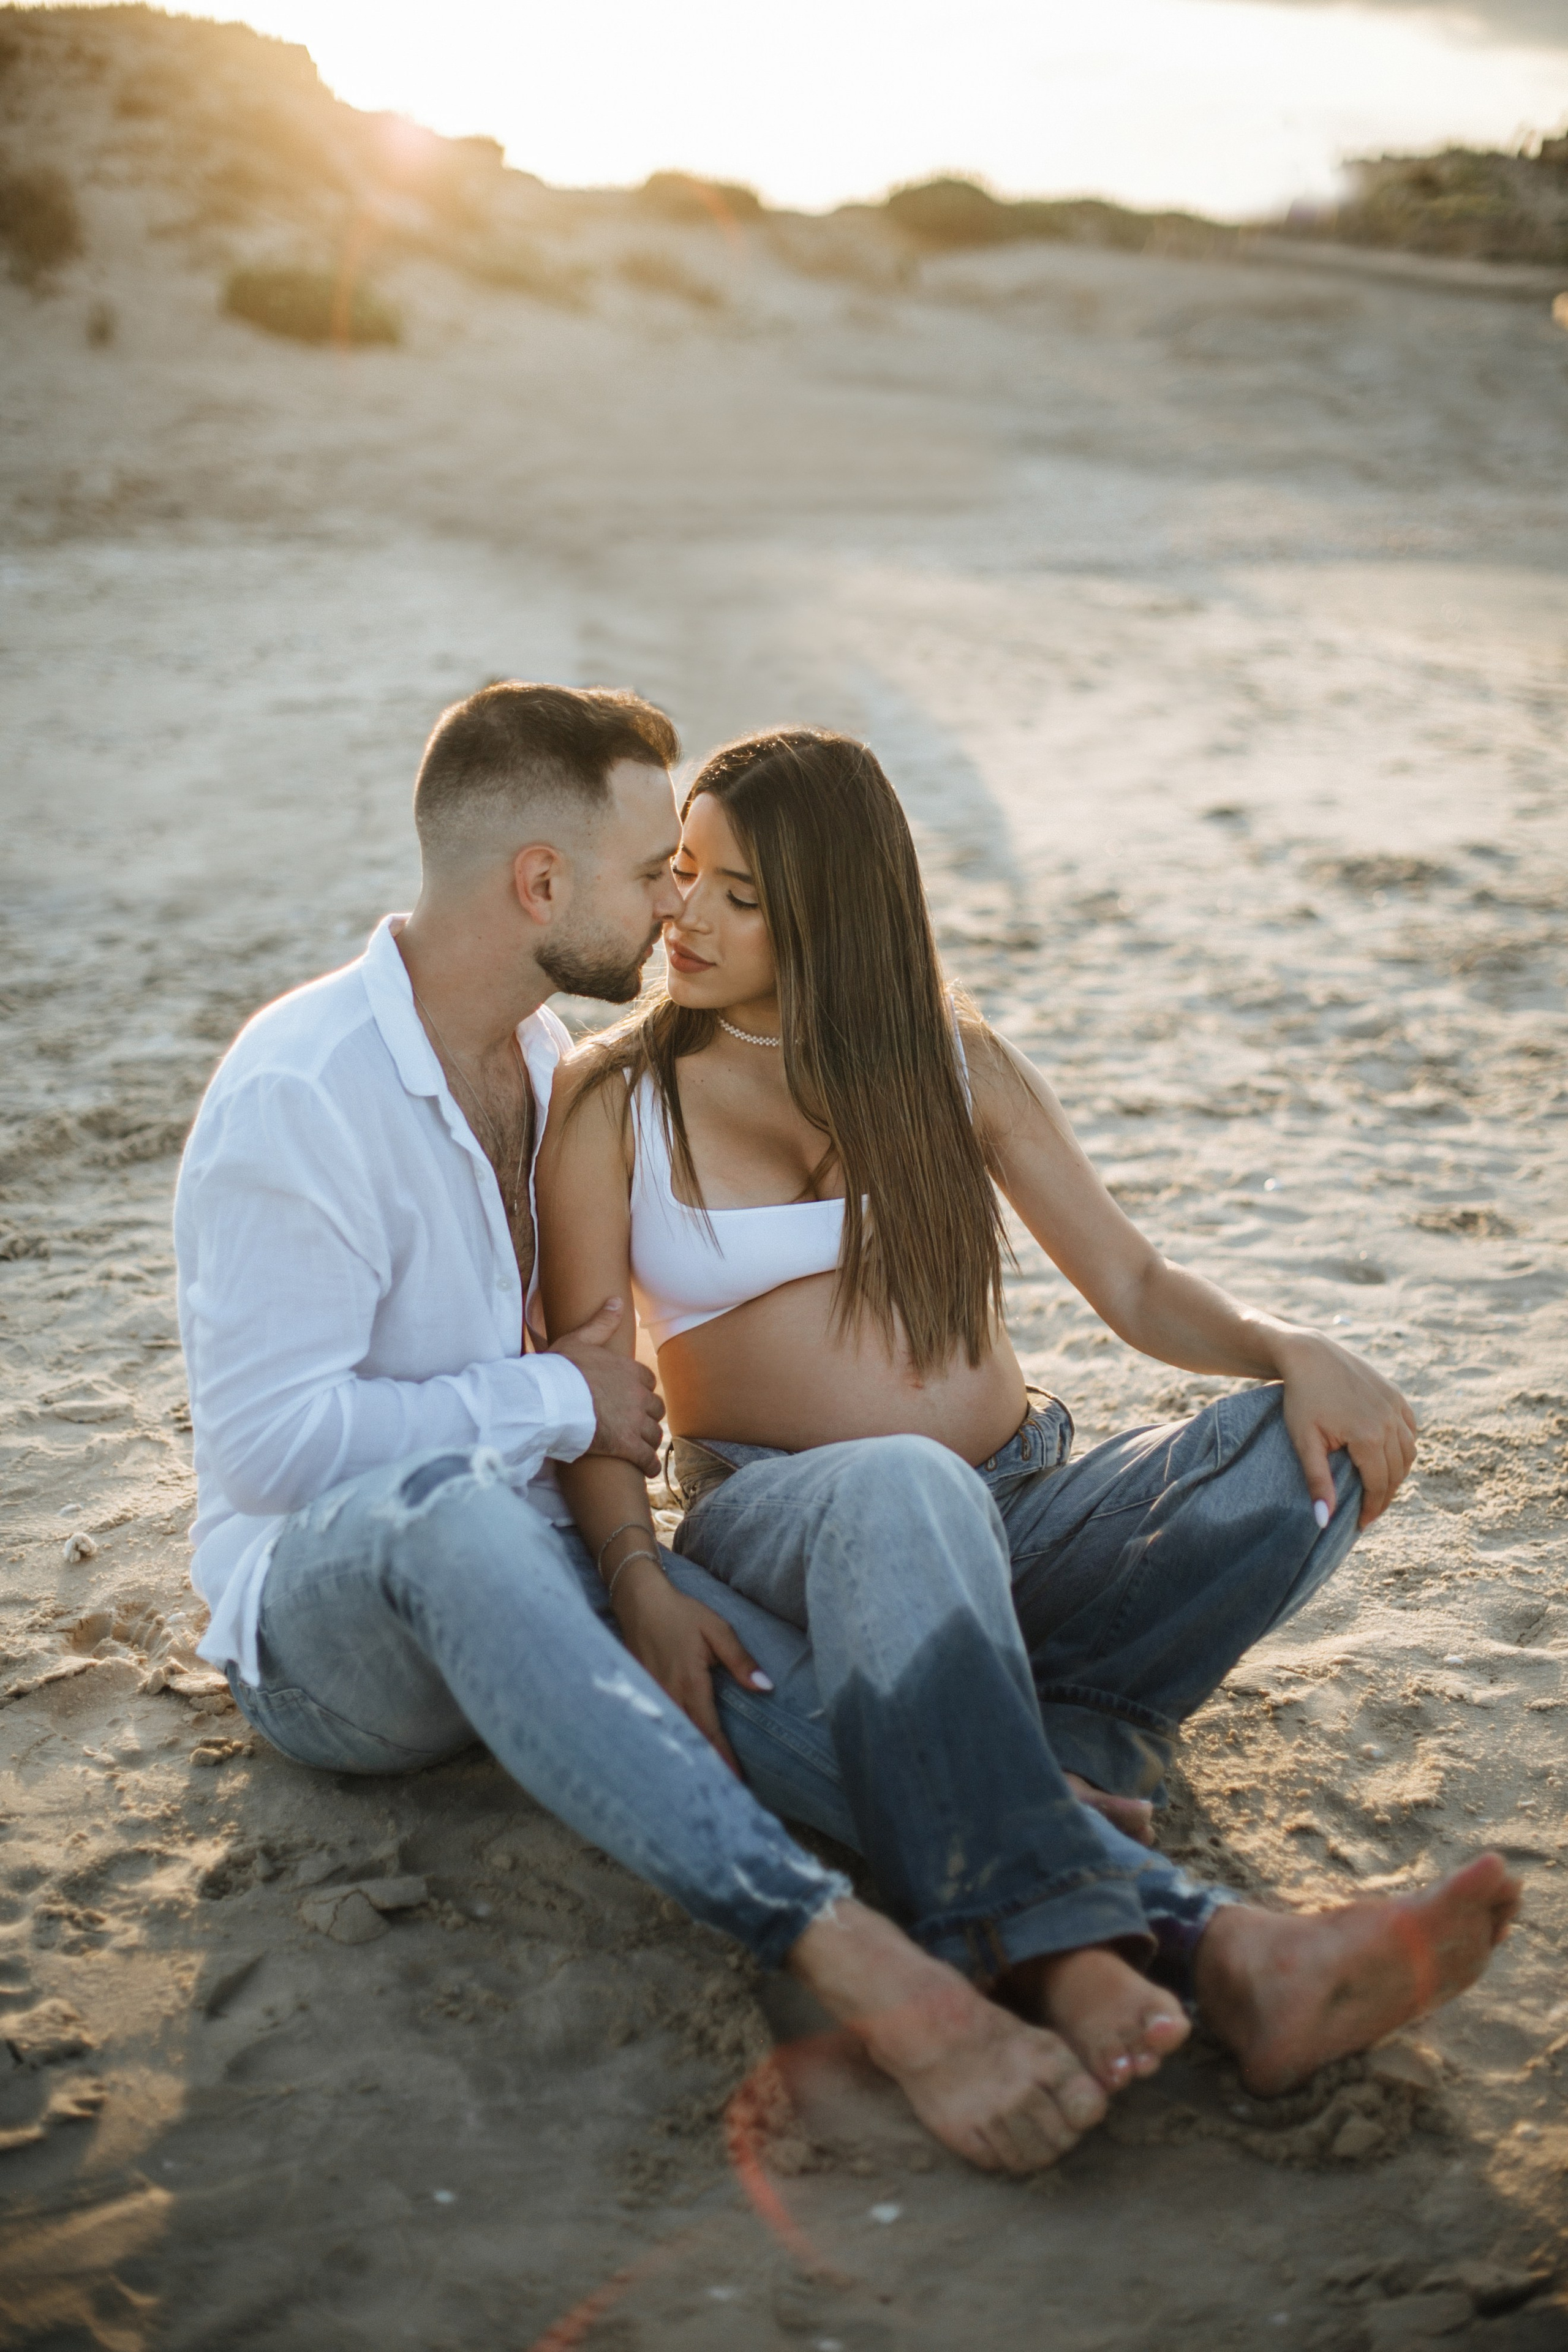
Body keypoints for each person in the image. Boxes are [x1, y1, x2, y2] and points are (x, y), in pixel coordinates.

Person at [178, 680, 1181, 2180]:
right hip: (338, 1635)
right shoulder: (301, 1093)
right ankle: (855, 1957)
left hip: (540, 1574)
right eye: (657, 872)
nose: (674, 910)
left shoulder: (535, 1061)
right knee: (462, 1511)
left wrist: (632, 1557)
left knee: (731, 1642)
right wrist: (556, 1399)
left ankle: (1168, 1934)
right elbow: (268, 1452)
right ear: (539, 883)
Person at [535, 725, 1519, 2116]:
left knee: (1286, 1459)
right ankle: (1173, 1923)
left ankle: (1044, 1726)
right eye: (681, 872)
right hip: (787, 1521)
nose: (683, 913)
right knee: (899, 1488)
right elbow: (585, 1373)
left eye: (738, 894)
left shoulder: (952, 1060)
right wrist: (635, 1571)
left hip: (1023, 1501)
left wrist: (1293, 1347)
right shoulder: (615, 1093)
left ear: (834, 909)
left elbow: (1129, 1282)